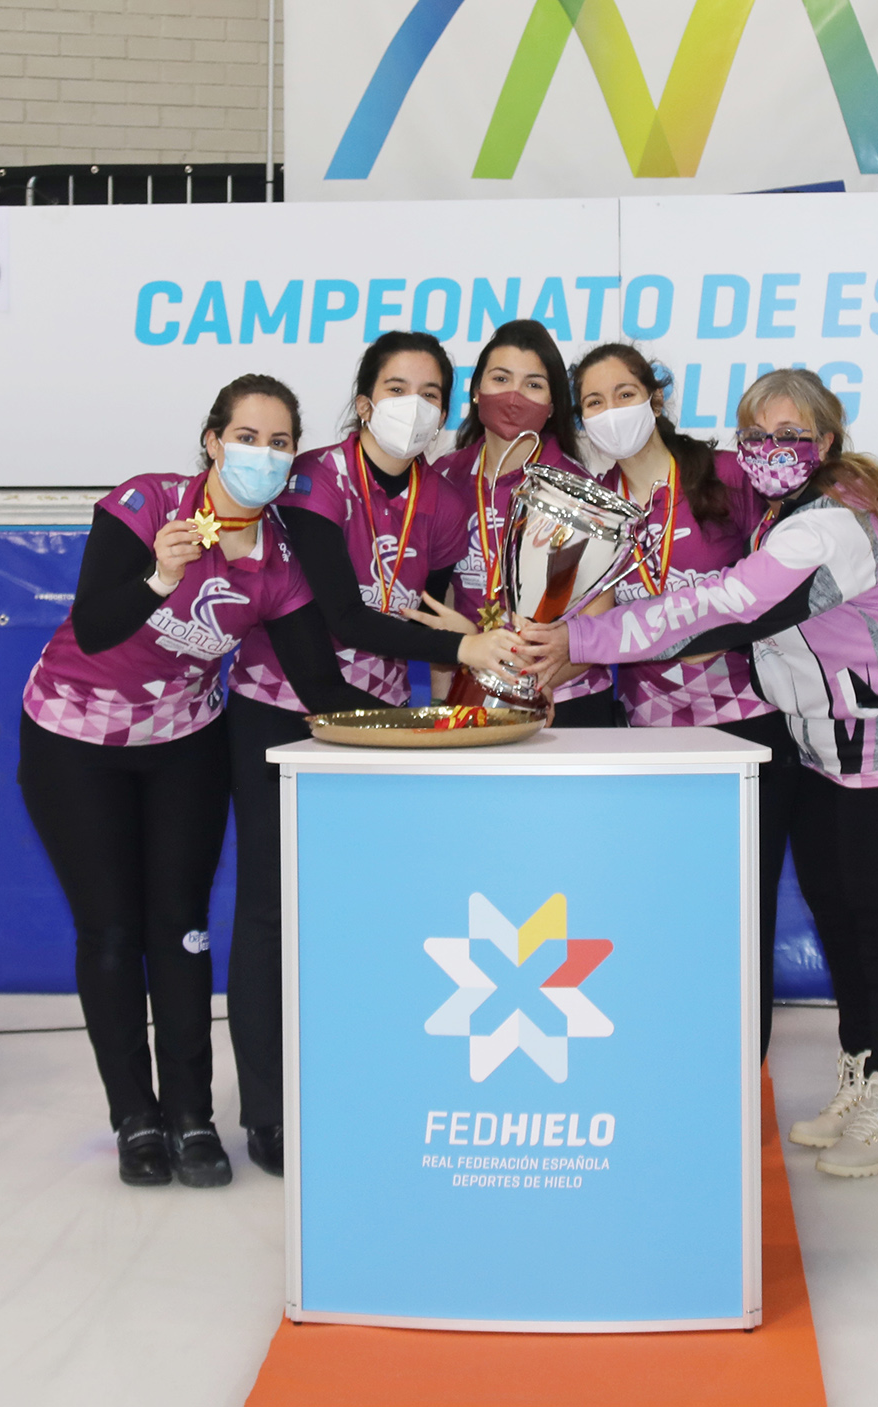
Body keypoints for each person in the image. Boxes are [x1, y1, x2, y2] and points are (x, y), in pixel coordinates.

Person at [522, 368, 878, 1180]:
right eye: (756, 436)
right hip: (827, 743)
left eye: (791, 435)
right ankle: (859, 1075)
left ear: (826, 442)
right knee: (840, 914)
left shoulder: (827, 524)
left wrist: (580, 644)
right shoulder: (785, 509)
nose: (770, 451)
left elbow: (724, 607)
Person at [19, 374, 381, 1191]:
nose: (263, 454)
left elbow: (321, 686)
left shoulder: (281, 562)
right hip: (73, 739)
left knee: (182, 930)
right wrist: (156, 574)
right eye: (247, 437)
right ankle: (135, 1116)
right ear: (215, 441)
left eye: (281, 442)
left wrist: (450, 723)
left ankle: (190, 1113)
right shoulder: (148, 505)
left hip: (184, 741)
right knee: (111, 933)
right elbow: (93, 623)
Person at [224, 333, 525, 1176]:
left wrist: (477, 638)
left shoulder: (444, 498)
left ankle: (363, 1083)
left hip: (386, 721)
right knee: (270, 911)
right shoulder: (314, 476)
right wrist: (465, 653)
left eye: (433, 391)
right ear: (363, 399)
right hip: (281, 711)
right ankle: (269, 1108)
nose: (415, 405)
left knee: (371, 910)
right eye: (398, 386)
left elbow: (438, 610)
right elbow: (345, 616)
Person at [572, 344, 796, 1057]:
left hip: (746, 730)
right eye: (595, 403)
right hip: (647, 739)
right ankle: (666, 1066)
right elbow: (596, 617)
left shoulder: (728, 476)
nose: (613, 412)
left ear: (658, 399)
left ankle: (740, 1074)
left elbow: (788, 579)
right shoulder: (593, 503)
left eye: (625, 392)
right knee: (659, 911)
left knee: (741, 913)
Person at [427, 319, 619, 724]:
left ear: (552, 406)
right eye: (500, 378)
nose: (514, 397)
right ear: (476, 391)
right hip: (469, 691)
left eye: (533, 385)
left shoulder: (578, 489)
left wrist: (539, 682)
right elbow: (437, 598)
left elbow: (598, 614)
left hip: (564, 697)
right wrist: (442, 702)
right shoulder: (443, 478)